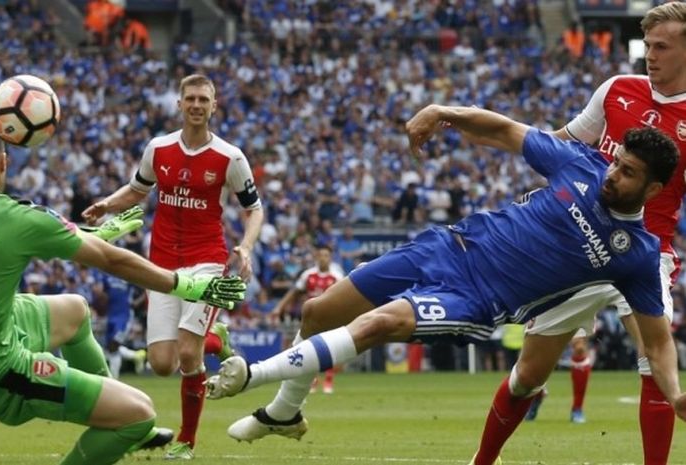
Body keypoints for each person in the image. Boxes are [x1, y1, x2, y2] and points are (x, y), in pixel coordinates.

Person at [207, 105, 686, 454]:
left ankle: (252, 374)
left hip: (474, 298)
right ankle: (284, 412)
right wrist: (442, 111)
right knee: (317, 312)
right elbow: (503, 129)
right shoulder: (582, 165)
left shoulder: (637, 254)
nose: (613, 175)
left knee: (379, 324)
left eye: (628, 173)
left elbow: (658, 343)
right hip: (445, 246)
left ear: (654, 189)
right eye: (617, 162)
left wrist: (675, 393)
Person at [473, 3, 686, 464]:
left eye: (662, 46)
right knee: (528, 375)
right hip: (580, 247)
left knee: (654, 360)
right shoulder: (616, 90)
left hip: (646, 257)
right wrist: (537, 194)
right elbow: (564, 143)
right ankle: (482, 461)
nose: (650, 54)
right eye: (647, 44)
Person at [0, 129, 246, 465]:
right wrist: (188, 285)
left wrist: (97, 233)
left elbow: (51, 233)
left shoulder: (17, 220)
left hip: (3, 321)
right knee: (138, 414)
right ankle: (122, 420)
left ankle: (110, 404)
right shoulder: (15, 217)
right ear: (4, 163)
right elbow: (112, 259)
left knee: (74, 310)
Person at [82, 73, 263, 460]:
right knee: (163, 364)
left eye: (204, 99)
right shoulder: (158, 148)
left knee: (186, 355)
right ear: (179, 104)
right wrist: (106, 205)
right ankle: (218, 338)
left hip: (207, 264)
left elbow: (254, 208)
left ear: (214, 106)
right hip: (161, 265)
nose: (197, 105)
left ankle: (187, 439)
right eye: (191, 98)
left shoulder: (230, 157)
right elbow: (137, 189)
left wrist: (245, 247)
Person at [271, 244, 344, 394]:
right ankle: (312, 380)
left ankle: (329, 380)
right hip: (311, 318)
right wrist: (279, 307)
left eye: (326, 255)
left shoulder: (337, 276)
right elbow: (294, 292)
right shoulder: (308, 275)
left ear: (330, 258)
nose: (323, 258)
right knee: (309, 349)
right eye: (321, 255)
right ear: (316, 257)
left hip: (330, 317)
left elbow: (345, 295)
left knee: (331, 348)